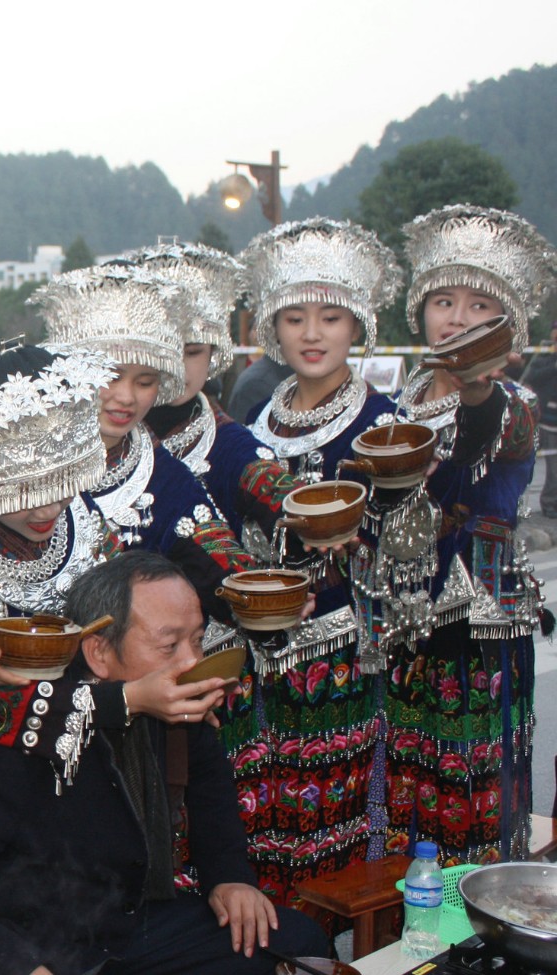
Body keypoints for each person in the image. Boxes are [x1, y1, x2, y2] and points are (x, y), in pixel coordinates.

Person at [0, 552, 330, 975]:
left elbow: (210, 792)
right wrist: (19, 967)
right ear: (99, 652)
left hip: (122, 933)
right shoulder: (23, 727)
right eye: (169, 644)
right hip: (23, 947)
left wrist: (229, 878)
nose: (192, 662)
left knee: (297, 945)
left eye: (197, 640)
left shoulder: (176, 707)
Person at [235, 217, 403, 900]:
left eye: (330, 317)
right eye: (295, 317)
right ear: (273, 327)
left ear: (356, 326)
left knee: (323, 810)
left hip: (334, 642)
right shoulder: (252, 422)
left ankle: (322, 941)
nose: (312, 333)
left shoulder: (386, 423)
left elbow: (401, 537)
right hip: (254, 643)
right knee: (255, 809)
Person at [384, 204, 553, 863]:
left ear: (508, 328)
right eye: (444, 300)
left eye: (480, 305)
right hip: (403, 625)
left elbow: (483, 437)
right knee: (403, 802)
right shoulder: (399, 401)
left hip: (478, 632)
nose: (457, 317)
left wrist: (474, 384)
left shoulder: (512, 403)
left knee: (470, 804)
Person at [31, 263, 254, 626]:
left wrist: (261, 600)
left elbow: (217, 559)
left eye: (145, 381)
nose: (126, 397)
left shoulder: (162, 477)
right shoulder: (20, 455)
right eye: (111, 376)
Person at [124, 244, 298, 552]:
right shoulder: (109, 439)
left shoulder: (236, 449)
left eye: (192, 353)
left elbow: (292, 516)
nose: (178, 367)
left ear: (213, 354)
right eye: (166, 352)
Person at [519, 320, 557, 517]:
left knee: (553, 468)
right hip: (543, 420)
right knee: (528, 462)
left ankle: (551, 505)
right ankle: (522, 502)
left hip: (553, 422)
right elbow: (532, 377)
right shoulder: (544, 356)